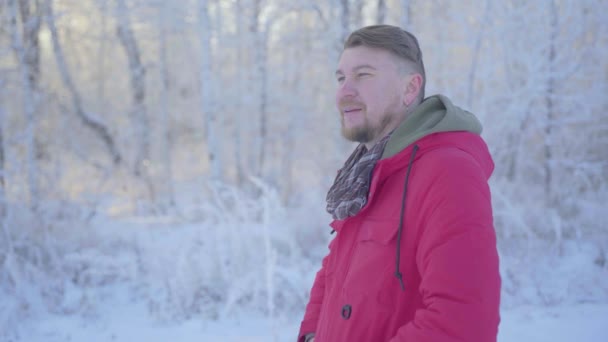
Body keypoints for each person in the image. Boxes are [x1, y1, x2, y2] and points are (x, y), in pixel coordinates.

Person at [298, 25, 501, 342]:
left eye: (363, 75)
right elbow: (334, 273)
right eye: (341, 78)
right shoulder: (364, 172)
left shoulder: (448, 171)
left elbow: (461, 324)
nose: (344, 91)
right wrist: (312, 334)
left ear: (410, 89)